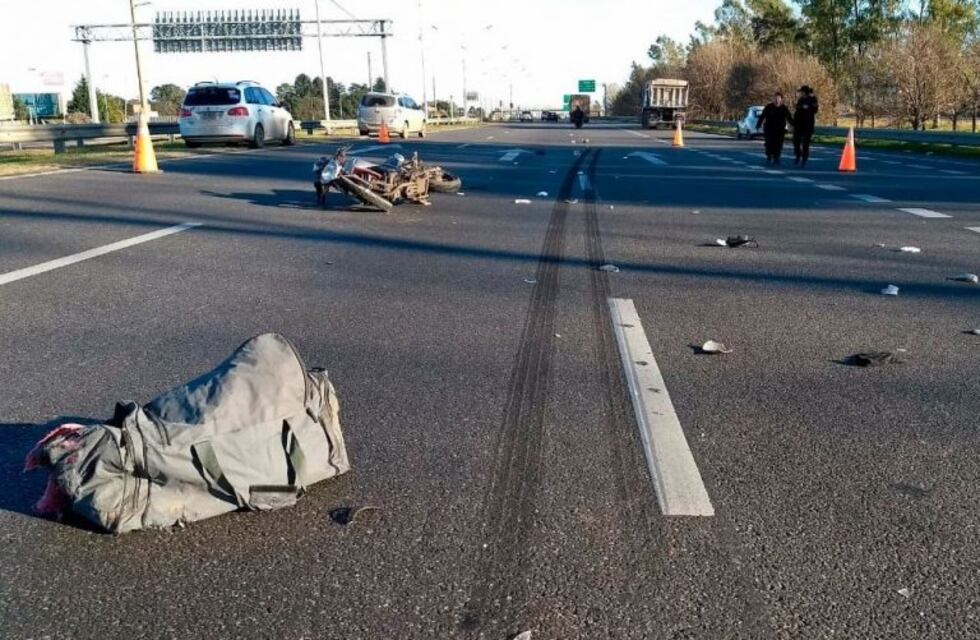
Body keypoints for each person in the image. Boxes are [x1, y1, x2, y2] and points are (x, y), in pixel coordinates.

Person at [756, 92, 794, 165]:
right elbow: (762, 116)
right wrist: (758, 125)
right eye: (775, 98)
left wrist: (794, 124)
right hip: (769, 129)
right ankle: (769, 156)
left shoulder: (784, 108)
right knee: (769, 144)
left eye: (778, 98)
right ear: (773, 99)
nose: (777, 100)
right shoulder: (768, 107)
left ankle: (776, 157)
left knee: (778, 144)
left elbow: (789, 118)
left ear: (781, 99)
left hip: (780, 130)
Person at [793, 85, 819, 167]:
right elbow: (797, 108)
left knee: (805, 144)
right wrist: (800, 106)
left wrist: (808, 107)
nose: (801, 93)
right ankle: (798, 155)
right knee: (796, 142)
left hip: (808, 124)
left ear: (805, 92)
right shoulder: (800, 100)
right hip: (799, 124)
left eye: (802, 91)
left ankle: (804, 158)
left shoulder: (813, 99)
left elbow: (815, 110)